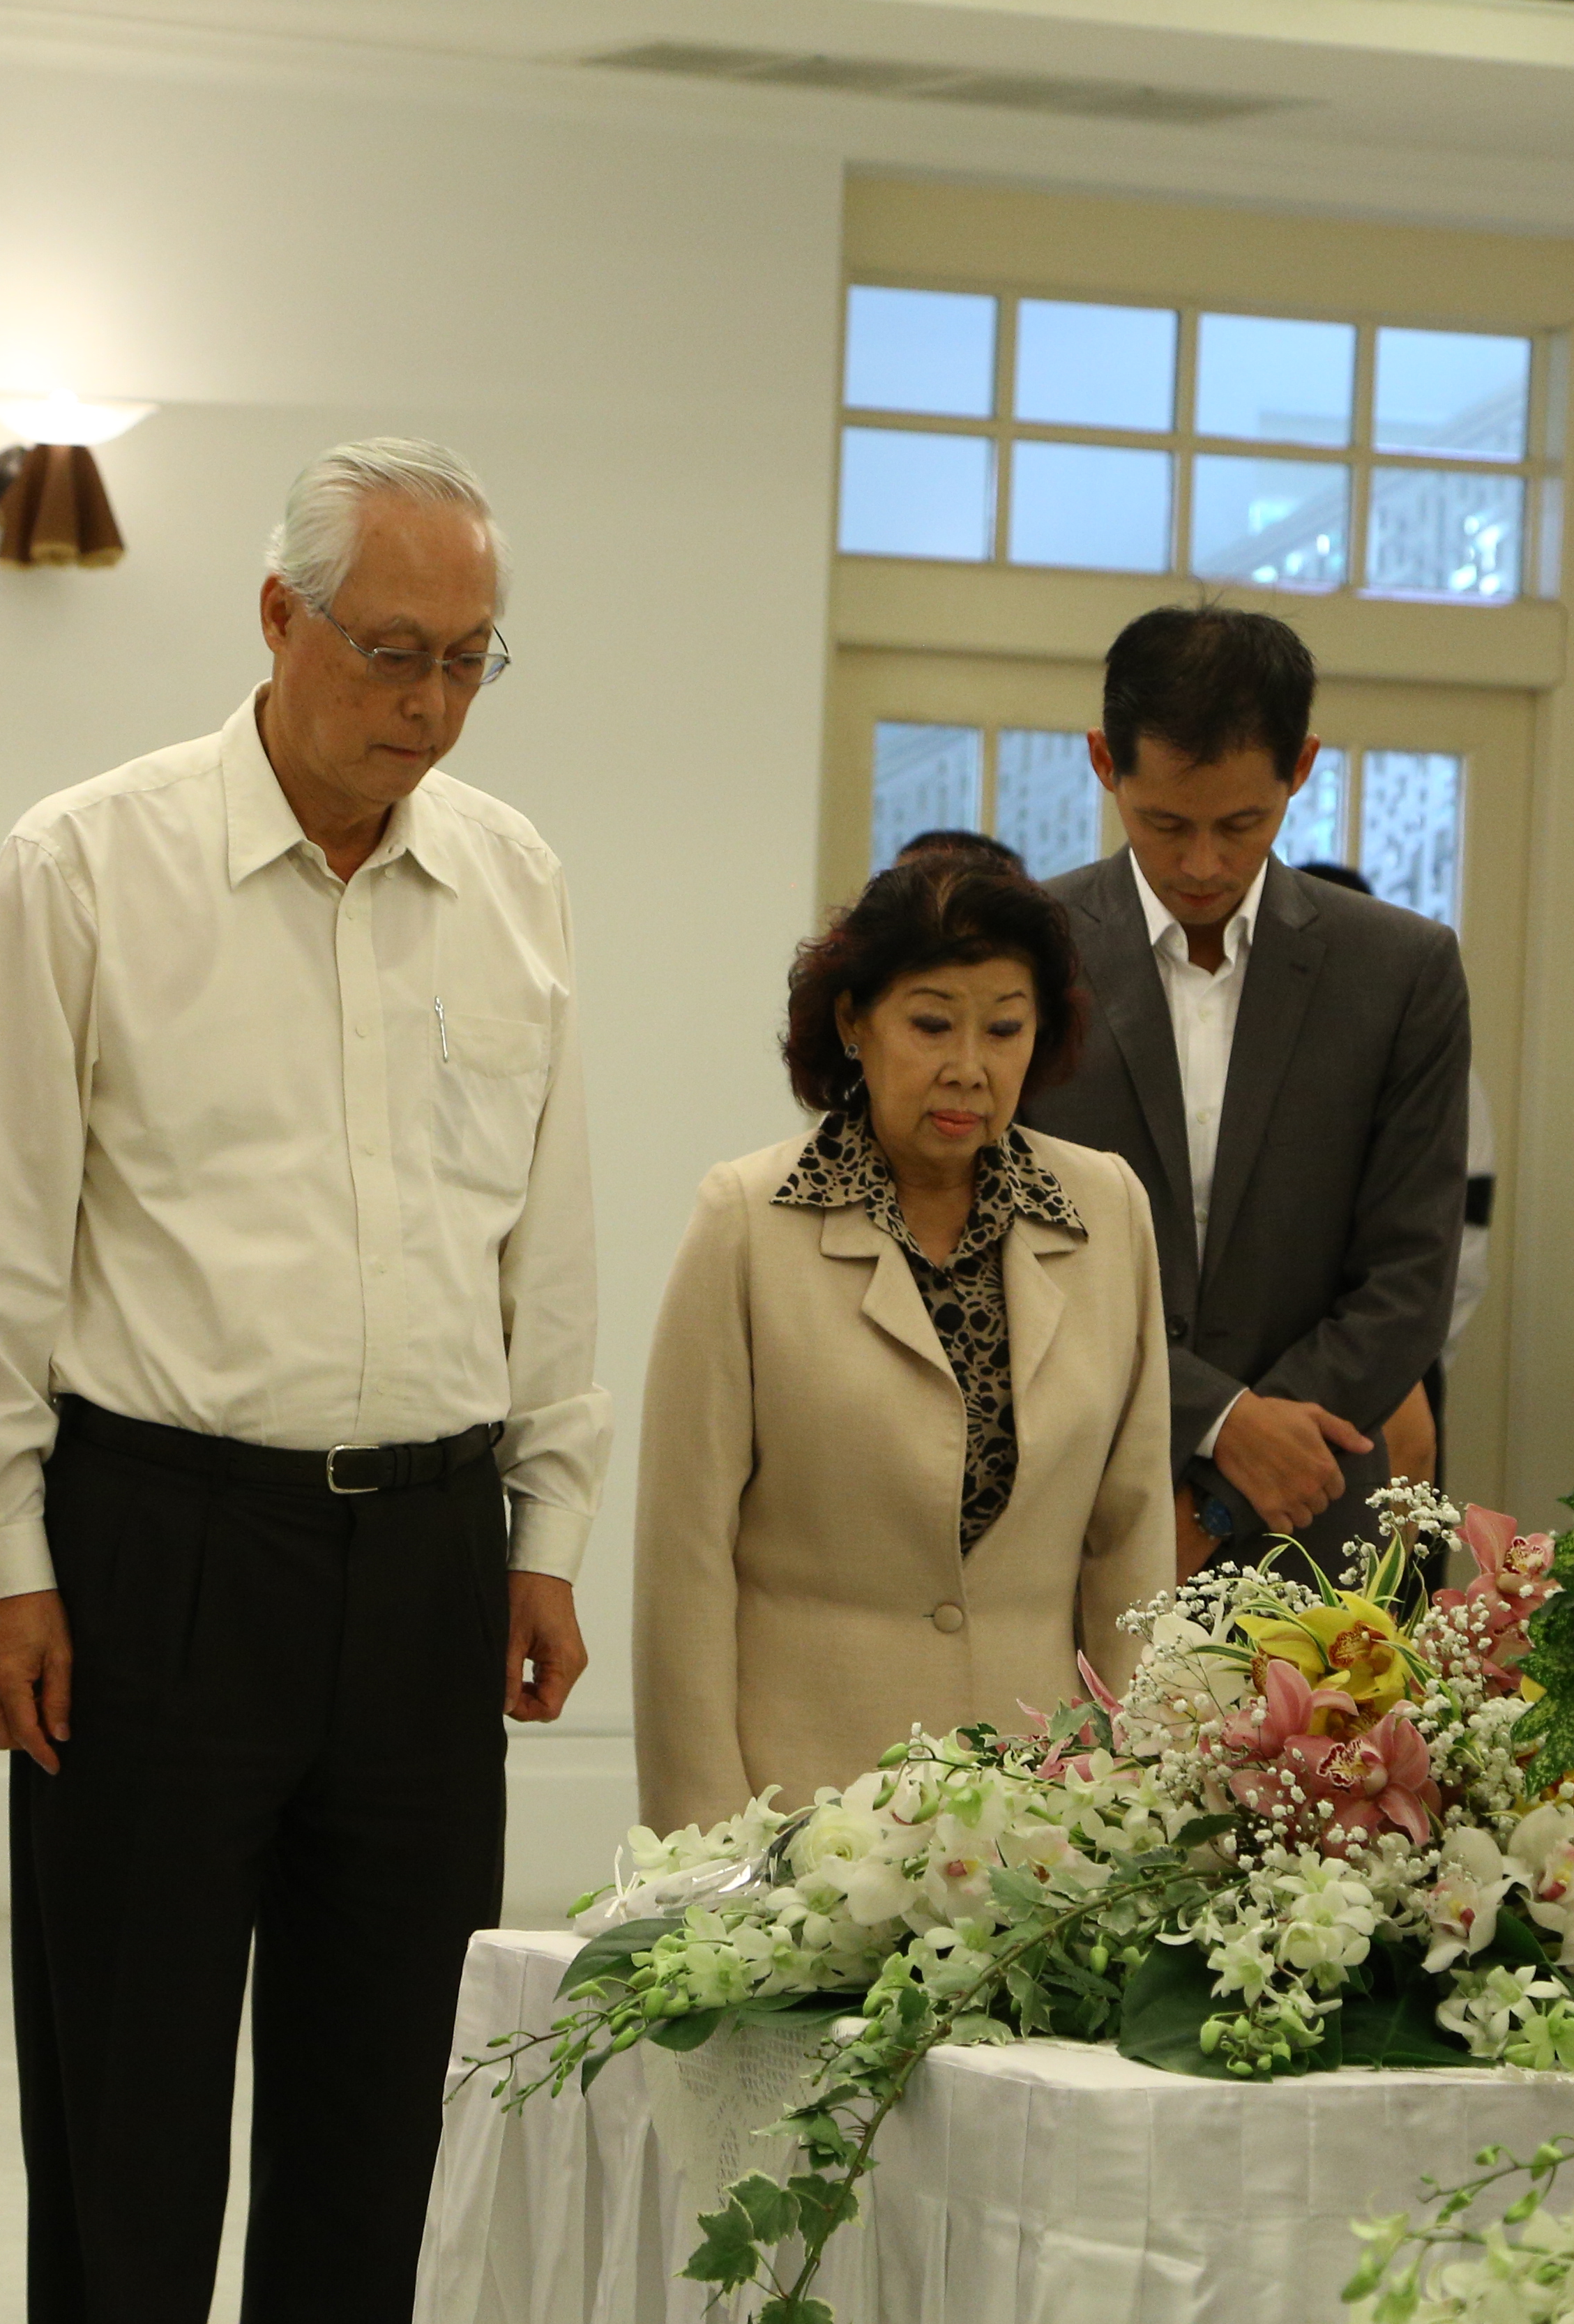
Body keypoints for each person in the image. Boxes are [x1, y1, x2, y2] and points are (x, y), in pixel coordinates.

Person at [0, 437, 607, 2324]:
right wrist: (7, 1545)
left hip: (424, 1547)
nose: (428, 701)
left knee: (373, 2151)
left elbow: (550, 1231)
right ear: (281, 624)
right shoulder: (91, 864)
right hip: (154, 1543)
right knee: (125, 2157)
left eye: (469, 661)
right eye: (391, 651)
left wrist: (549, 1514)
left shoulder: (512, 880)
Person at [635, 844, 1174, 1830]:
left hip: (1042, 1810)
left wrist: (1139, 1800)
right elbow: (685, 1562)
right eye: (931, 1024)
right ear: (854, 1022)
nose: (968, 1067)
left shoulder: (1106, 1211)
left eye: (1005, 1028)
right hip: (803, 1803)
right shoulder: (748, 1221)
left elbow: (1132, 1538)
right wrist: (705, 1840)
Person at [1020, 605, 1471, 1577]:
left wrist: (1225, 1494)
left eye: (1243, 824)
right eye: (1165, 823)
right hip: (1064, 1513)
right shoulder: (1024, 952)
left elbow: (1407, 1281)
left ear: (1301, 768)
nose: (1202, 864)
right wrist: (1215, 1420)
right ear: (1105, 762)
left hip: (1310, 1523)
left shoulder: (1400, 971)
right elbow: (1001, 1245)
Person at [1299, 859, 1491, 1489]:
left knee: (1393, 1565)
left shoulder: (1431, 1064)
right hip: (1270, 1370)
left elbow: (1461, 1242)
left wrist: (1414, 1354)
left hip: (1393, 1349)